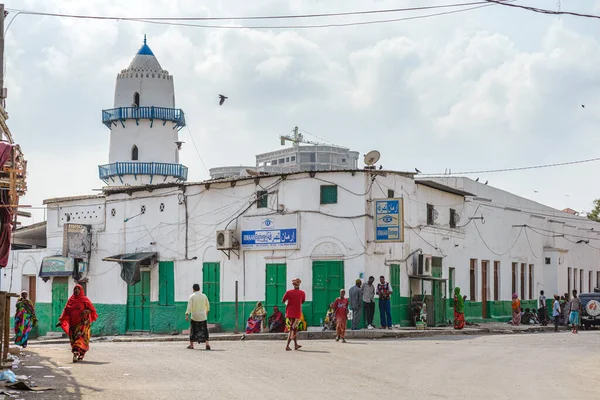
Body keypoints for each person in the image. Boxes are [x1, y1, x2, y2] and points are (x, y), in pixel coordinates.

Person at [57, 284, 98, 363]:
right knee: (73, 339)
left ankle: (77, 354)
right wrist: (61, 320)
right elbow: (66, 311)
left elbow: (92, 309)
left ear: (81, 290)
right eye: (75, 289)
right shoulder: (70, 300)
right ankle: (77, 353)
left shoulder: (84, 299)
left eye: (78, 289)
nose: (76, 290)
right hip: (73, 324)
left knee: (80, 339)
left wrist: (86, 311)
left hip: (83, 324)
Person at [185, 283, 211, 350]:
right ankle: (207, 344)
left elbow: (189, 307)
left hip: (194, 316)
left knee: (193, 330)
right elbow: (207, 306)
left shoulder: (192, 297)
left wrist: (187, 314)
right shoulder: (204, 296)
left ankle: (191, 345)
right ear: (199, 289)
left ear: (193, 289)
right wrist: (206, 313)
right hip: (203, 316)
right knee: (205, 330)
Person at [282, 278, 305, 351]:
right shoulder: (302, 293)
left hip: (289, 313)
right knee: (292, 329)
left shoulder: (288, 292)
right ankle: (287, 345)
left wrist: (288, 303)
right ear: (299, 284)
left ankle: (295, 345)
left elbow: (283, 300)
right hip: (297, 313)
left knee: (294, 328)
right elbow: (302, 301)